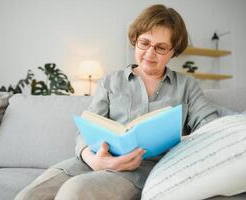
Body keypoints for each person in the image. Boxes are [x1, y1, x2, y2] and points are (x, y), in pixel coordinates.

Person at [15, 4, 218, 200]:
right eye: (144, 43)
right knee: (28, 196)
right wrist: (94, 159)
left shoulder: (187, 86)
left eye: (161, 48)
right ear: (135, 40)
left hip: (137, 170)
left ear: (173, 51)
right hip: (92, 161)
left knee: (75, 192)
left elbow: (212, 125)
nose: (149, 53)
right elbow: (85, 130)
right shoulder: (110, 81)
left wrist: (180, 140)